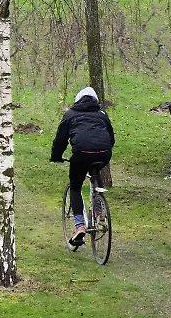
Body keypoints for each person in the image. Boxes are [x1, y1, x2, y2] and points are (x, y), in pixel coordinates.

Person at [50, 86, 115, 246]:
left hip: (81, 154)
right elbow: (111, 138)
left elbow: (60, 141)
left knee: (75, 186)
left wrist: (56, 156)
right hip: (104, 153)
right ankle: (100, 213)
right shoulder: (102, 114)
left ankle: (79, 227)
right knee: (95, 171)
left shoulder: (70, 115)